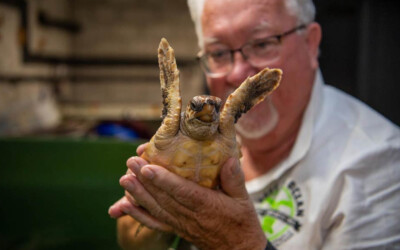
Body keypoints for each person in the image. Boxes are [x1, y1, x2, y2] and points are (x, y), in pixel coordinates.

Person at [108, 0, 400, 249]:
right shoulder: (197, 133)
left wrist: (240, 244)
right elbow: (129, 241)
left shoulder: (380, 166)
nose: (237, 73)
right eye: (219, 52)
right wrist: (160, 213)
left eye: (262, 44)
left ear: (311, 43)